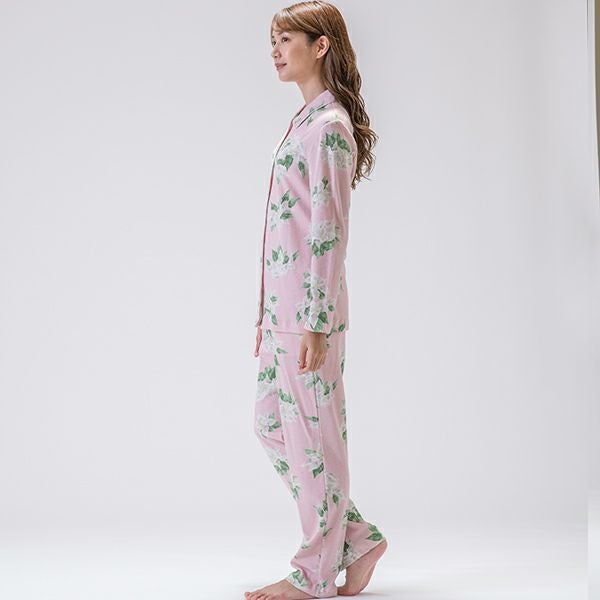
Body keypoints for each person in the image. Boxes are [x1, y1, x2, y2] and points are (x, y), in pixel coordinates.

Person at [247, 2, 387, 599]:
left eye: (286, 39)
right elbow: (289, 226)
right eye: (272, 41)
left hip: (309, 318)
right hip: (282, 314)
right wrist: (265, 314)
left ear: (320, 44)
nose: (275, 51)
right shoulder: (305, 121)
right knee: (271, 426)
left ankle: (314, 572)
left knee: (316, 444)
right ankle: (356, 537)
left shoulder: (329, 128)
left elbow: (329, 231)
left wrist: (316, 323)